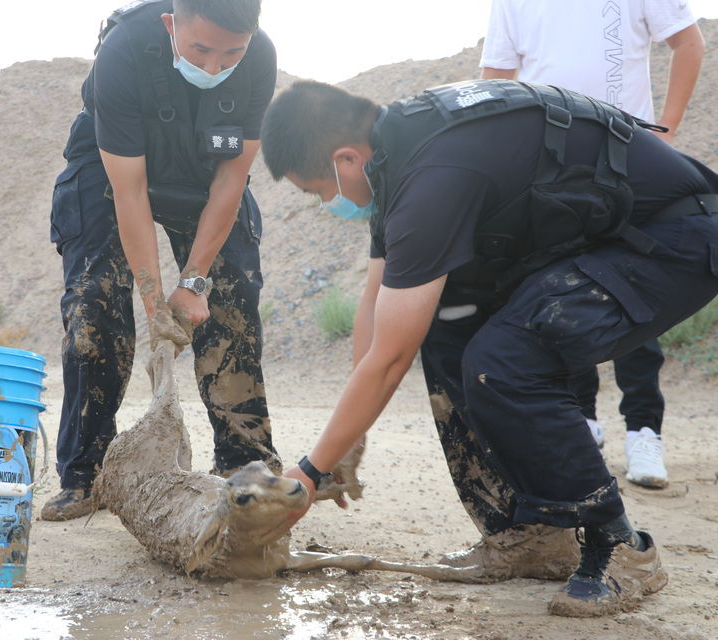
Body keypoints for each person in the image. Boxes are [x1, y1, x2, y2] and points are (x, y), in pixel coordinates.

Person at [260, 78, 718, 616]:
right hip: (614, 243)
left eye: (319, 191)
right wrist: (348, 439)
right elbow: (382, 308)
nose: (326, 204)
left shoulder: (434, 175)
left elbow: (389, 361)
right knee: (452, 328)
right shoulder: (401, 152)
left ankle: (622, 546)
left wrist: (310, 472)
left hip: (676, 238)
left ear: (346, 159)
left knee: (505, 361)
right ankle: (527, 536)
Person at [42, 0, 281, 521]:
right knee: (93, 304)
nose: (216, 66)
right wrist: (157, 304)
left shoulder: (259, 58)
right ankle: (86, 474)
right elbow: (130, 194)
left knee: (232, 299)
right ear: (173, 24)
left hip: (205, 172)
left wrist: (193, 282)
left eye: (231, 54)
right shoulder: (124, 51)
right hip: (110, 170)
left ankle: (246, 466)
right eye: (201, 49)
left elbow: (232, 179)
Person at [479, 0, 707, 489]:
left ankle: (644, 431)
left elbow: (688, 41)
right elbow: (496, 80)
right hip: (552, 171)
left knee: (636, 297)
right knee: (559, 292)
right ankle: (583, 421)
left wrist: (666, 127)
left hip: (632, 161)